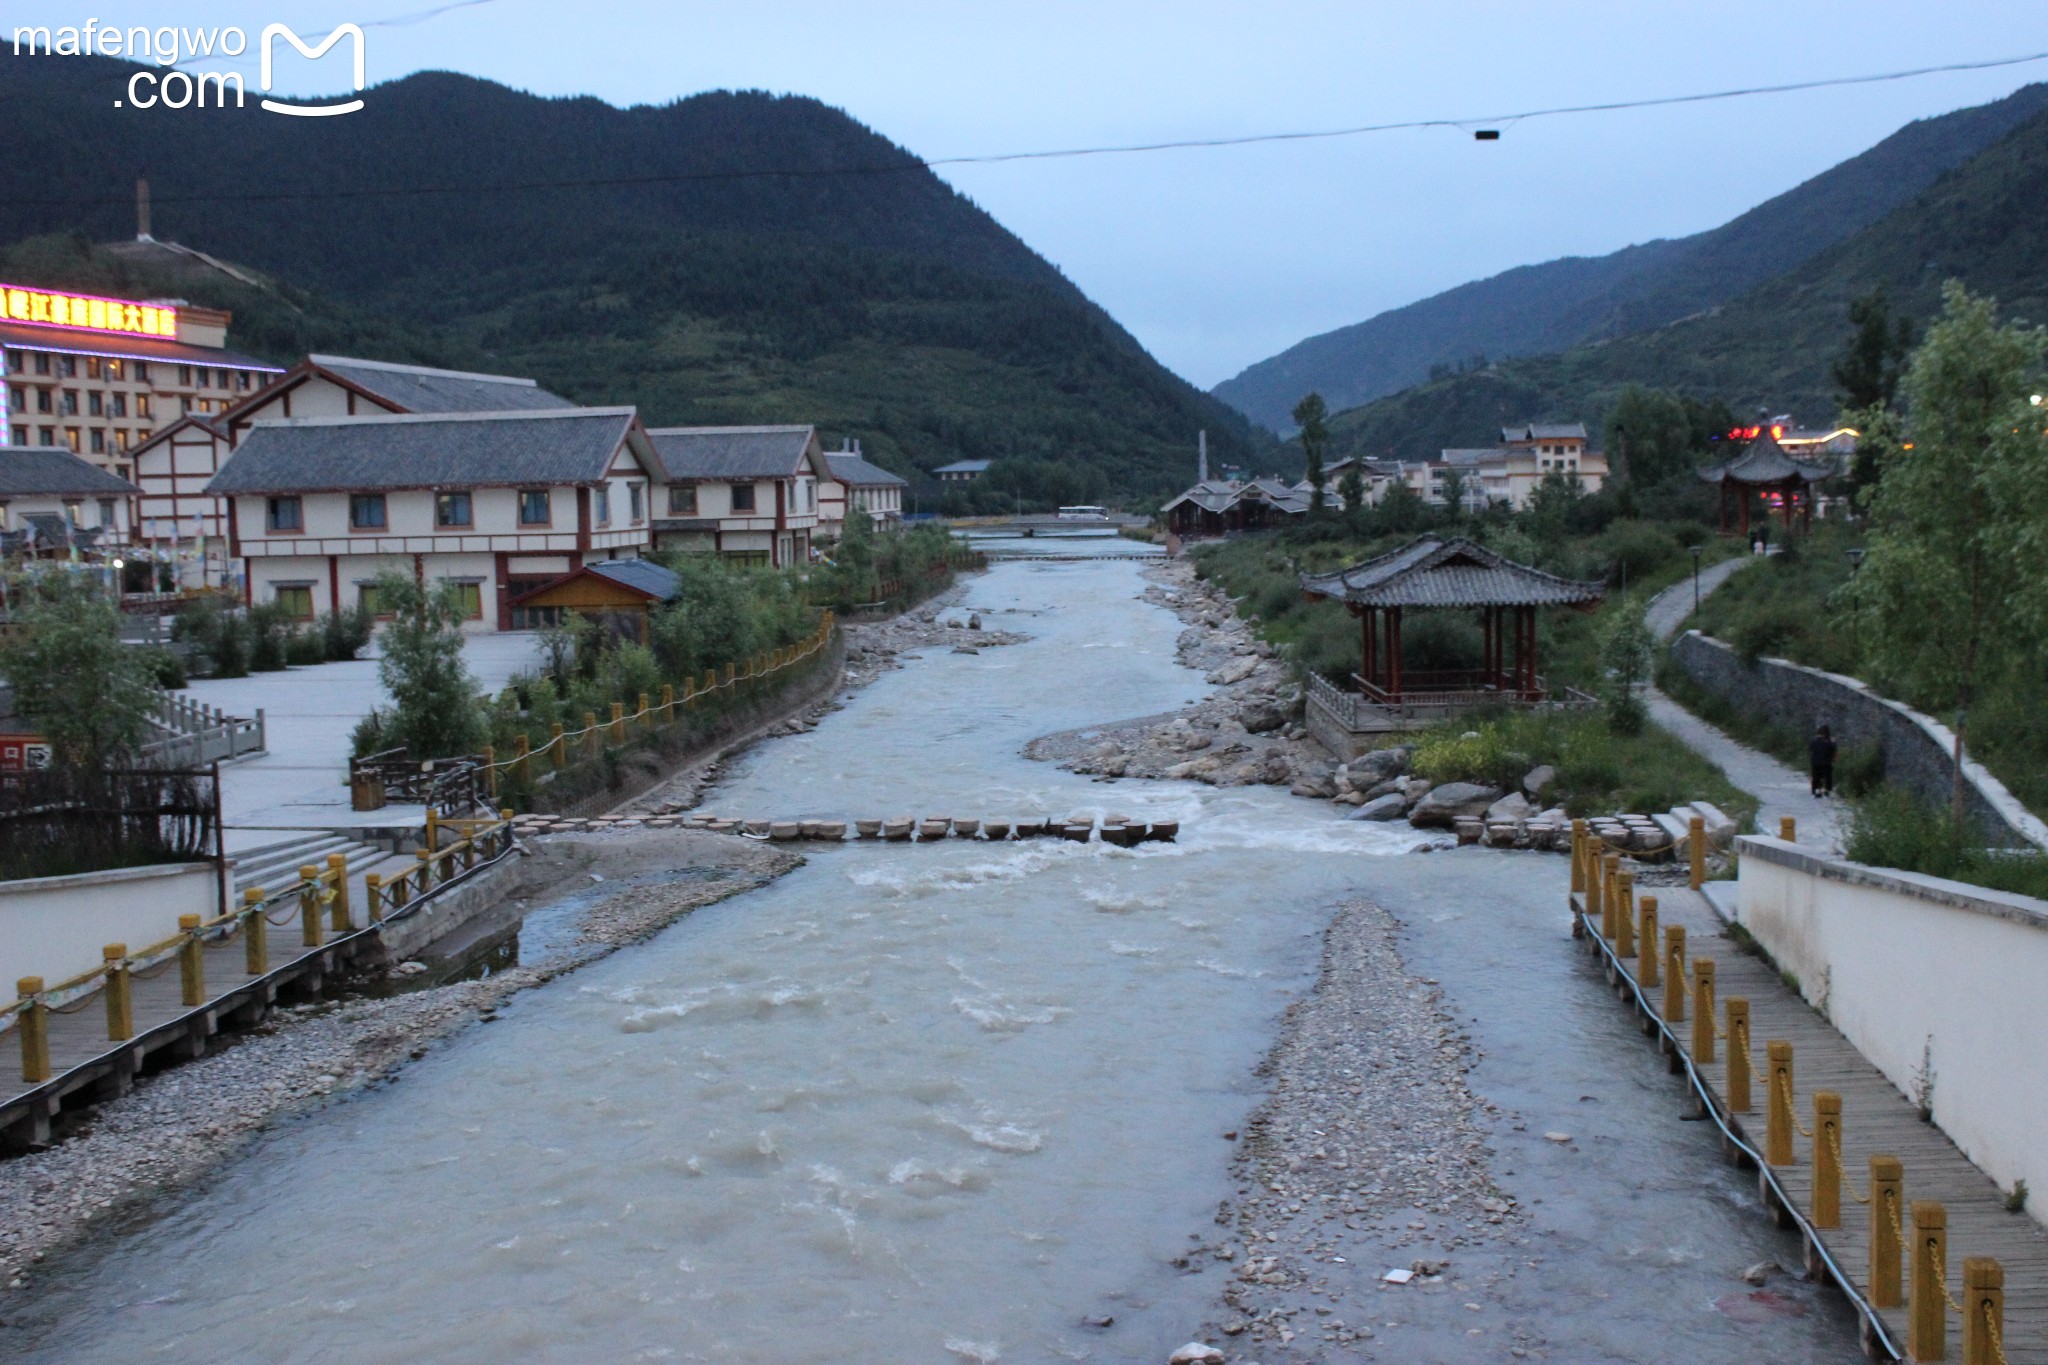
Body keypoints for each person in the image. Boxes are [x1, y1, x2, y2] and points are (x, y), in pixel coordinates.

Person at [1809, 724, 1838, 798]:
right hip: (1826, 763)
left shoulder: (1813, 741)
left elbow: (1810, 749)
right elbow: (1834, 751)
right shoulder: (1830, 742)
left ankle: (1816, 791)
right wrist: (1834, 760)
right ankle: (1827, 791)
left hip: (1815, 763)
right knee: (1828, 777)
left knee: (1816, 777)